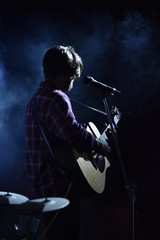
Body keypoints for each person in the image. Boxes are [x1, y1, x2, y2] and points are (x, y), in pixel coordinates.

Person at [24, 44, 111, 240]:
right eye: (73, 76)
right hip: (58, 185)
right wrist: (98, 145)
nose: (73, 81)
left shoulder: (35, 100)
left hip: (42, 185)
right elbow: (72, 133)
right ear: (65, 74)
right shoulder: (56, 98)